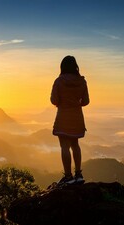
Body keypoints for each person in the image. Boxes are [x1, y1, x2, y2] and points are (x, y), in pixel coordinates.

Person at [50, 55, 89, 186]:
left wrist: (63, 102)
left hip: (63, 116)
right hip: (77, 116)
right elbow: (86, 101)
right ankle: (79, 174)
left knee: (64, 146)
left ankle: (68, 176)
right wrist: (76, 103)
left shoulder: (59, 81)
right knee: (75, 145)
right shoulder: (82, 81)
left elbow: (54, 100)